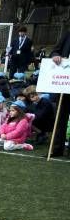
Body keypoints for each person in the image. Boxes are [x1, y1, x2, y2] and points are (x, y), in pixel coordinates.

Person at [48, 30, 70, 158]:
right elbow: (55, 50)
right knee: (60, 118)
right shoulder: (68, 35)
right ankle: (56, 149)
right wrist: (55, 55)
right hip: (64, 85)